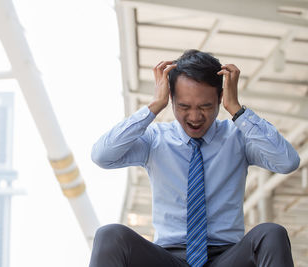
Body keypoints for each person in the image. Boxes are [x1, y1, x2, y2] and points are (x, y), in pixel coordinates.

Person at [89, 50, 300, 267]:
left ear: (220, 98)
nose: (195, 117)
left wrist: (238, 111)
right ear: (171, 99)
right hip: (168, 259)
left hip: (227, 258)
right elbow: (102, 156)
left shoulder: (238, 138)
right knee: (110, 235)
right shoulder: (155, 140)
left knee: (272, 234)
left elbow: (287, 162)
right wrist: (153, 107)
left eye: (205, 106)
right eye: (184, 106)